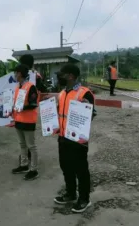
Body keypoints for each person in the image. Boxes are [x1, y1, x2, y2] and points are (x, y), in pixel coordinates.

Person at [53, 64, 96, 213]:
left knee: (81, 170)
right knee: (66, 167)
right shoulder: (62, 93)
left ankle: (84, 198)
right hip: (63, 137)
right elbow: (60, 113)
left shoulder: (84, 94)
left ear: (71, 76)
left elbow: (91, 114)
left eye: (62, 74)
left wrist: (85, 110)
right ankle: (71, 193)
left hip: (78, 141)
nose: (59, 77)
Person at [11, 64, 39, 181]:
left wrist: (23, 107)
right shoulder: (18, 87)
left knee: (31, 146)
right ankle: (24, 165)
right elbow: (15, 103)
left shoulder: (30, 87)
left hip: (28, 121)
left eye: (16, 72)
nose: (15, 75)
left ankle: (34, 170)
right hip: (18, 120)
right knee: (22, 145)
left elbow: (33, 104)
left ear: (21, 73)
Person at [18, 54, 47, 162]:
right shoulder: (36, 76)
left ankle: (27, 158)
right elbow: (43, 89)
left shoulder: (20, 76)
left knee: (25, 138)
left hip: (24, 111)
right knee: (27, 137)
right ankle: (26, 155)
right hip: (29, 110)